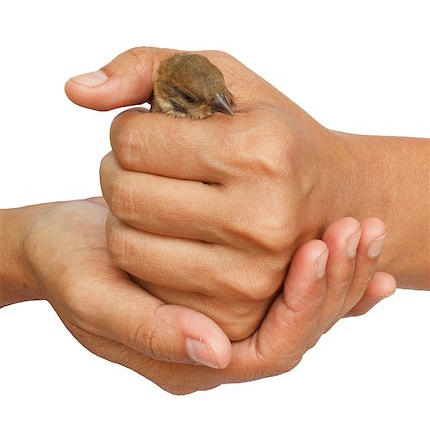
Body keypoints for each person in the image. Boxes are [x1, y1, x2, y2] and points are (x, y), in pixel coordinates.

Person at [1, 47, 427, 394]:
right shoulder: (152, 124)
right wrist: (22, 249)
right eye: (192, 100)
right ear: (165, 94)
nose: (220, 107)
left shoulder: (243, 124)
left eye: (221, 95)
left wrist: (339, 187)